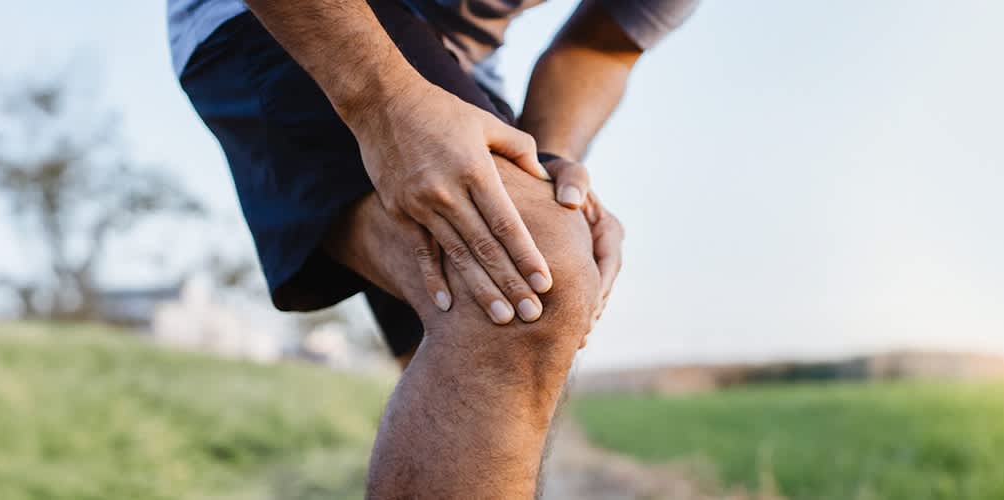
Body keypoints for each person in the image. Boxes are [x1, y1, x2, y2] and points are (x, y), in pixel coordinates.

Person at [169, 0, 695, 496]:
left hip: (457, 59)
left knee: (511, 358)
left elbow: (599, 46)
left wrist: (553, 168)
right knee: (525, 281)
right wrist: (384, 105)